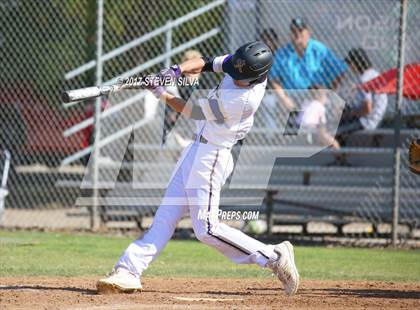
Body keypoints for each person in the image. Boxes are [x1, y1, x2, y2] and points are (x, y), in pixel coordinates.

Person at [96, 41, 299, 296]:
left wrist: (161, 93)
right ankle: (128, 270)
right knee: (166, 215)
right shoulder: (242, 64)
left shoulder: (243, 100)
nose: (234, 78)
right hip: (195, 149)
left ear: (255, 77)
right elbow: (205, 62)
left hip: (212, 156)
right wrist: (174, 71)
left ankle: (273, 256)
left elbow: (192, 111)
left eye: (239, 77)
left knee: (207, 229)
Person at [270, 17, 347, 111]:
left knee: (317, 110)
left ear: (308, 32)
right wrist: (284, 99)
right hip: (291, 97)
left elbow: (340, 71)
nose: (297, 34)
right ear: (290, 34)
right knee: (269, 102)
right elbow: (274, 79)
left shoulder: (319, 49)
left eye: (301, 30)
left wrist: (328, 92)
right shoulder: (282, 53)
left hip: (315, 97)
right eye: (294, 31)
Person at [337, 47, 388, 136]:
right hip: (377, 118)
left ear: (355, 63)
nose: (350, 67)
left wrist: (350, 114)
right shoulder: (374, 73)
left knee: (335, 131)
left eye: (350, 64)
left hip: (367, 122)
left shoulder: (364, 79)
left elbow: (367, 108)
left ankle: (339, 148)